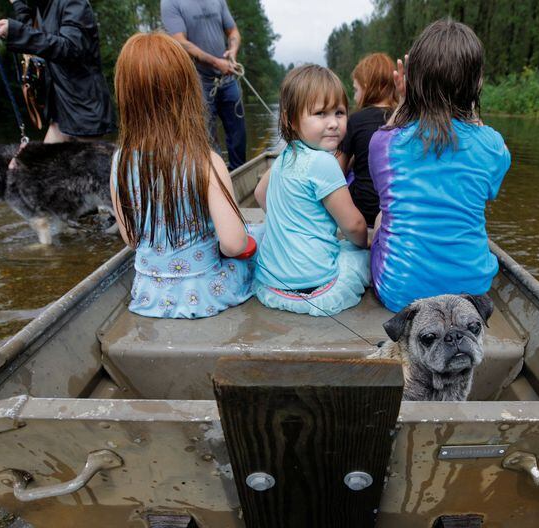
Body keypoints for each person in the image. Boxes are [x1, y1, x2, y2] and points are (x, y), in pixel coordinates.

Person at [109, 32, 259, 319]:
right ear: (189, 92)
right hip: (205, 293)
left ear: (125, 96)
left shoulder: (119, 161)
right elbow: (234, 244)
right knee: (258, 238)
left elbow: (130, 238)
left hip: (148, 295)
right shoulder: (205, 161)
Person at [369, 19, 511, 313]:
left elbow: (392, 132)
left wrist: (407, 101)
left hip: (399, 294)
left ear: (412, 82)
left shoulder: (383, 144)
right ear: (478, 82)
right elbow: (488, 186)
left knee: (384, 217)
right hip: (471, 295)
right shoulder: (494, 146)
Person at [252, 65, 370, 317]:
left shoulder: (285, 155)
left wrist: (287, 221)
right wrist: (368, 241)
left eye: (339, 112)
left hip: (272, 285)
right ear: (289, 120)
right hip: (318, 289)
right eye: (320, 113)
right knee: (359, 255)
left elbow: (260, 194)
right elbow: (354, 225)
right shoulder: (325, 162)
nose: (333, 123)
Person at [0, 0, 115, 143]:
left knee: (83, 165)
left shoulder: (74, 3)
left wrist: (18, 32)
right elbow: (38, 39)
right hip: (60, 111)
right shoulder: (44, 7)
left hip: (85, 112)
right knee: (33, 165)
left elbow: (71, 48)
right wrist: (20, 8)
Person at [161, 0, 247, 170]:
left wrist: (232, 51)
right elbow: (180, 42)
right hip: (198, 82)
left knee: (238, 134)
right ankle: (214, 179)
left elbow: (233, 31)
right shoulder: (170, 2)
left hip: (228, 80)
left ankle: (239, 175)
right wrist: (216, 62)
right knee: (206, 139)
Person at [336, 53, 398, 227]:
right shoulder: (404, 119)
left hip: (363, 211)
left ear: (366, 86)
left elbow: (336, 174)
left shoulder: (355, 120)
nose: (355, 97)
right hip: (395, 210)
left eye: (355, 90)